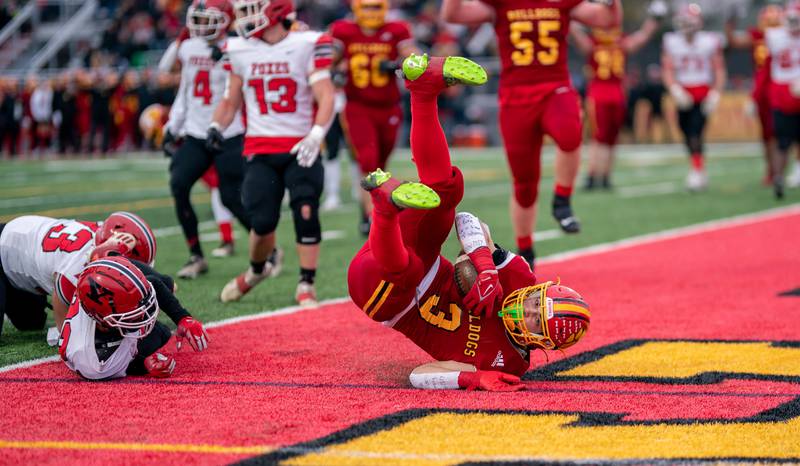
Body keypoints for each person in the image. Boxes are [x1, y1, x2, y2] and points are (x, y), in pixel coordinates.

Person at [347, 54, 591, 391]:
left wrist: (472, 377)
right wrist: (485, 264)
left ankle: (384, 208)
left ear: (543, 342)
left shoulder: (510, 361)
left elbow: (419, 375)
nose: (528, 311)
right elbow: (467, 221)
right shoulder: (520, 277)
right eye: (536, 303)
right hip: (423, 258)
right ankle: (423, 89)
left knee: (409, 270)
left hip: (385, 294)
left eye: (537, 321)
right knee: (446, 192)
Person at [441, 0, 621, 269]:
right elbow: (454, 14)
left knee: (570, 134)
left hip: (554, 87)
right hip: (515, 99)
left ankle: (562, 199)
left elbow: (607, 19)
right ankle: (526, 249)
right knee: (524, 184)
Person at [212, 0, 335, 306]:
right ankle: (257, 270)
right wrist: (216, 125)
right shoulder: (239, 49)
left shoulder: (306, 43)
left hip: (300, 146)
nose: (244, 17)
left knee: (306, 209)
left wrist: (316, 134)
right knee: (262, 221)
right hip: (260, 148)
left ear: (275, 11)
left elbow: (326, 96)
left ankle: (306, 284)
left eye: (251, 9)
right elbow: (230, 99)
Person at [163, 0, 251, 279]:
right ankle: (196, 255)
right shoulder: (189, 48)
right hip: (196, 133)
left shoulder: (237, 47)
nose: (200, 25)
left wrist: (230, 54)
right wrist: (172, 125)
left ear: (225, 20)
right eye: (198, 19)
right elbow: (184, 89)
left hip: (228, 132)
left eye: (207, 19)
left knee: (231, 197)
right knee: (179, 184)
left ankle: (266, 249)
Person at [330, 0, 418, 235]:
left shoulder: (397, 29)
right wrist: (335, 68)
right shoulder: (343, 30)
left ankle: (367, 210)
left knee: (380, 164)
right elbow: (327, 59)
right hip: (358, 106)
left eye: (376, 7)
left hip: (389, 108)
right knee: (368, 161)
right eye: (367, 7)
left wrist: (399, 65)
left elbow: (414, 58)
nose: (371, 12)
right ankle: (373, 218)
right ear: (357, 8)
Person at [0, 212, 156, 340]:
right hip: (6, 246)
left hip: (23, 251)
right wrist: (68, 335)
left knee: (31, 322)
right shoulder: (78, 265)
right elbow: (60, 304)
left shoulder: (102, 235)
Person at [59, 256, 209, 380]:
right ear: (103, 321)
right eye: (131, 314)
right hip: (101, 341)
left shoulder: (101, 307)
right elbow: (124, 365)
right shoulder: (92, 362)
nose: (143, 315)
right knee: (161, 333)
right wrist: (143, 364)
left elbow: (153, 284)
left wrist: (182, 317)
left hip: (102, 267)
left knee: (156, 289)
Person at [571, 0, 665, 190]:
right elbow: (575, 34)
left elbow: (642, 36)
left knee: (611, 137)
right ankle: (593, 174)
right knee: (599, 136)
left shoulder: (617, 41)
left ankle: (605, 175)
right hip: (599, 92)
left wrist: (655, 20)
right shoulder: (596, 42)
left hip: (615, 92)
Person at [662, 3, 727, 192]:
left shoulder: (709, 41)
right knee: (684, 130)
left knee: (695, 132)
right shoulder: (672, 41)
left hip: (702, 91)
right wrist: (675, 89)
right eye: (683, 22)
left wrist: (715, 93)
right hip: (683, 91)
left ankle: (697, 171)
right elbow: (667, 69)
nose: (686, 26)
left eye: (689, 22)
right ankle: (698, 168)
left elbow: (719, 69)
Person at [725, 4, 784, 186]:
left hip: (785, 88)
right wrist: (731, 20)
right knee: (768, 134)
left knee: (788, 131)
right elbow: (734, 41)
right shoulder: (759, 36)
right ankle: (773, 171)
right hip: (763, 91)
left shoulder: (790, 37)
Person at [765, 0, 800, 199]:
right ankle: (778, 176)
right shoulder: (774, 35)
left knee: (782, 141)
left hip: (782, 89)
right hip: (783, 92)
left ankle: (780, 175)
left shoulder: (774, 35)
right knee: (781, 140)